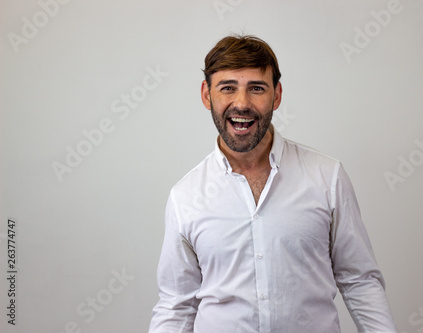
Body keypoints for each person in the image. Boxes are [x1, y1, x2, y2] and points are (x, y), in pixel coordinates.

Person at [149, 34, 397, 333]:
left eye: (256, 88)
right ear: (207, 95)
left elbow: (359, 282)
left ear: (277, 95)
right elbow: (177, 305)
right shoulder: (185, 196)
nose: (242, 103)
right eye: (227, 88)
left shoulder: (326, 176)